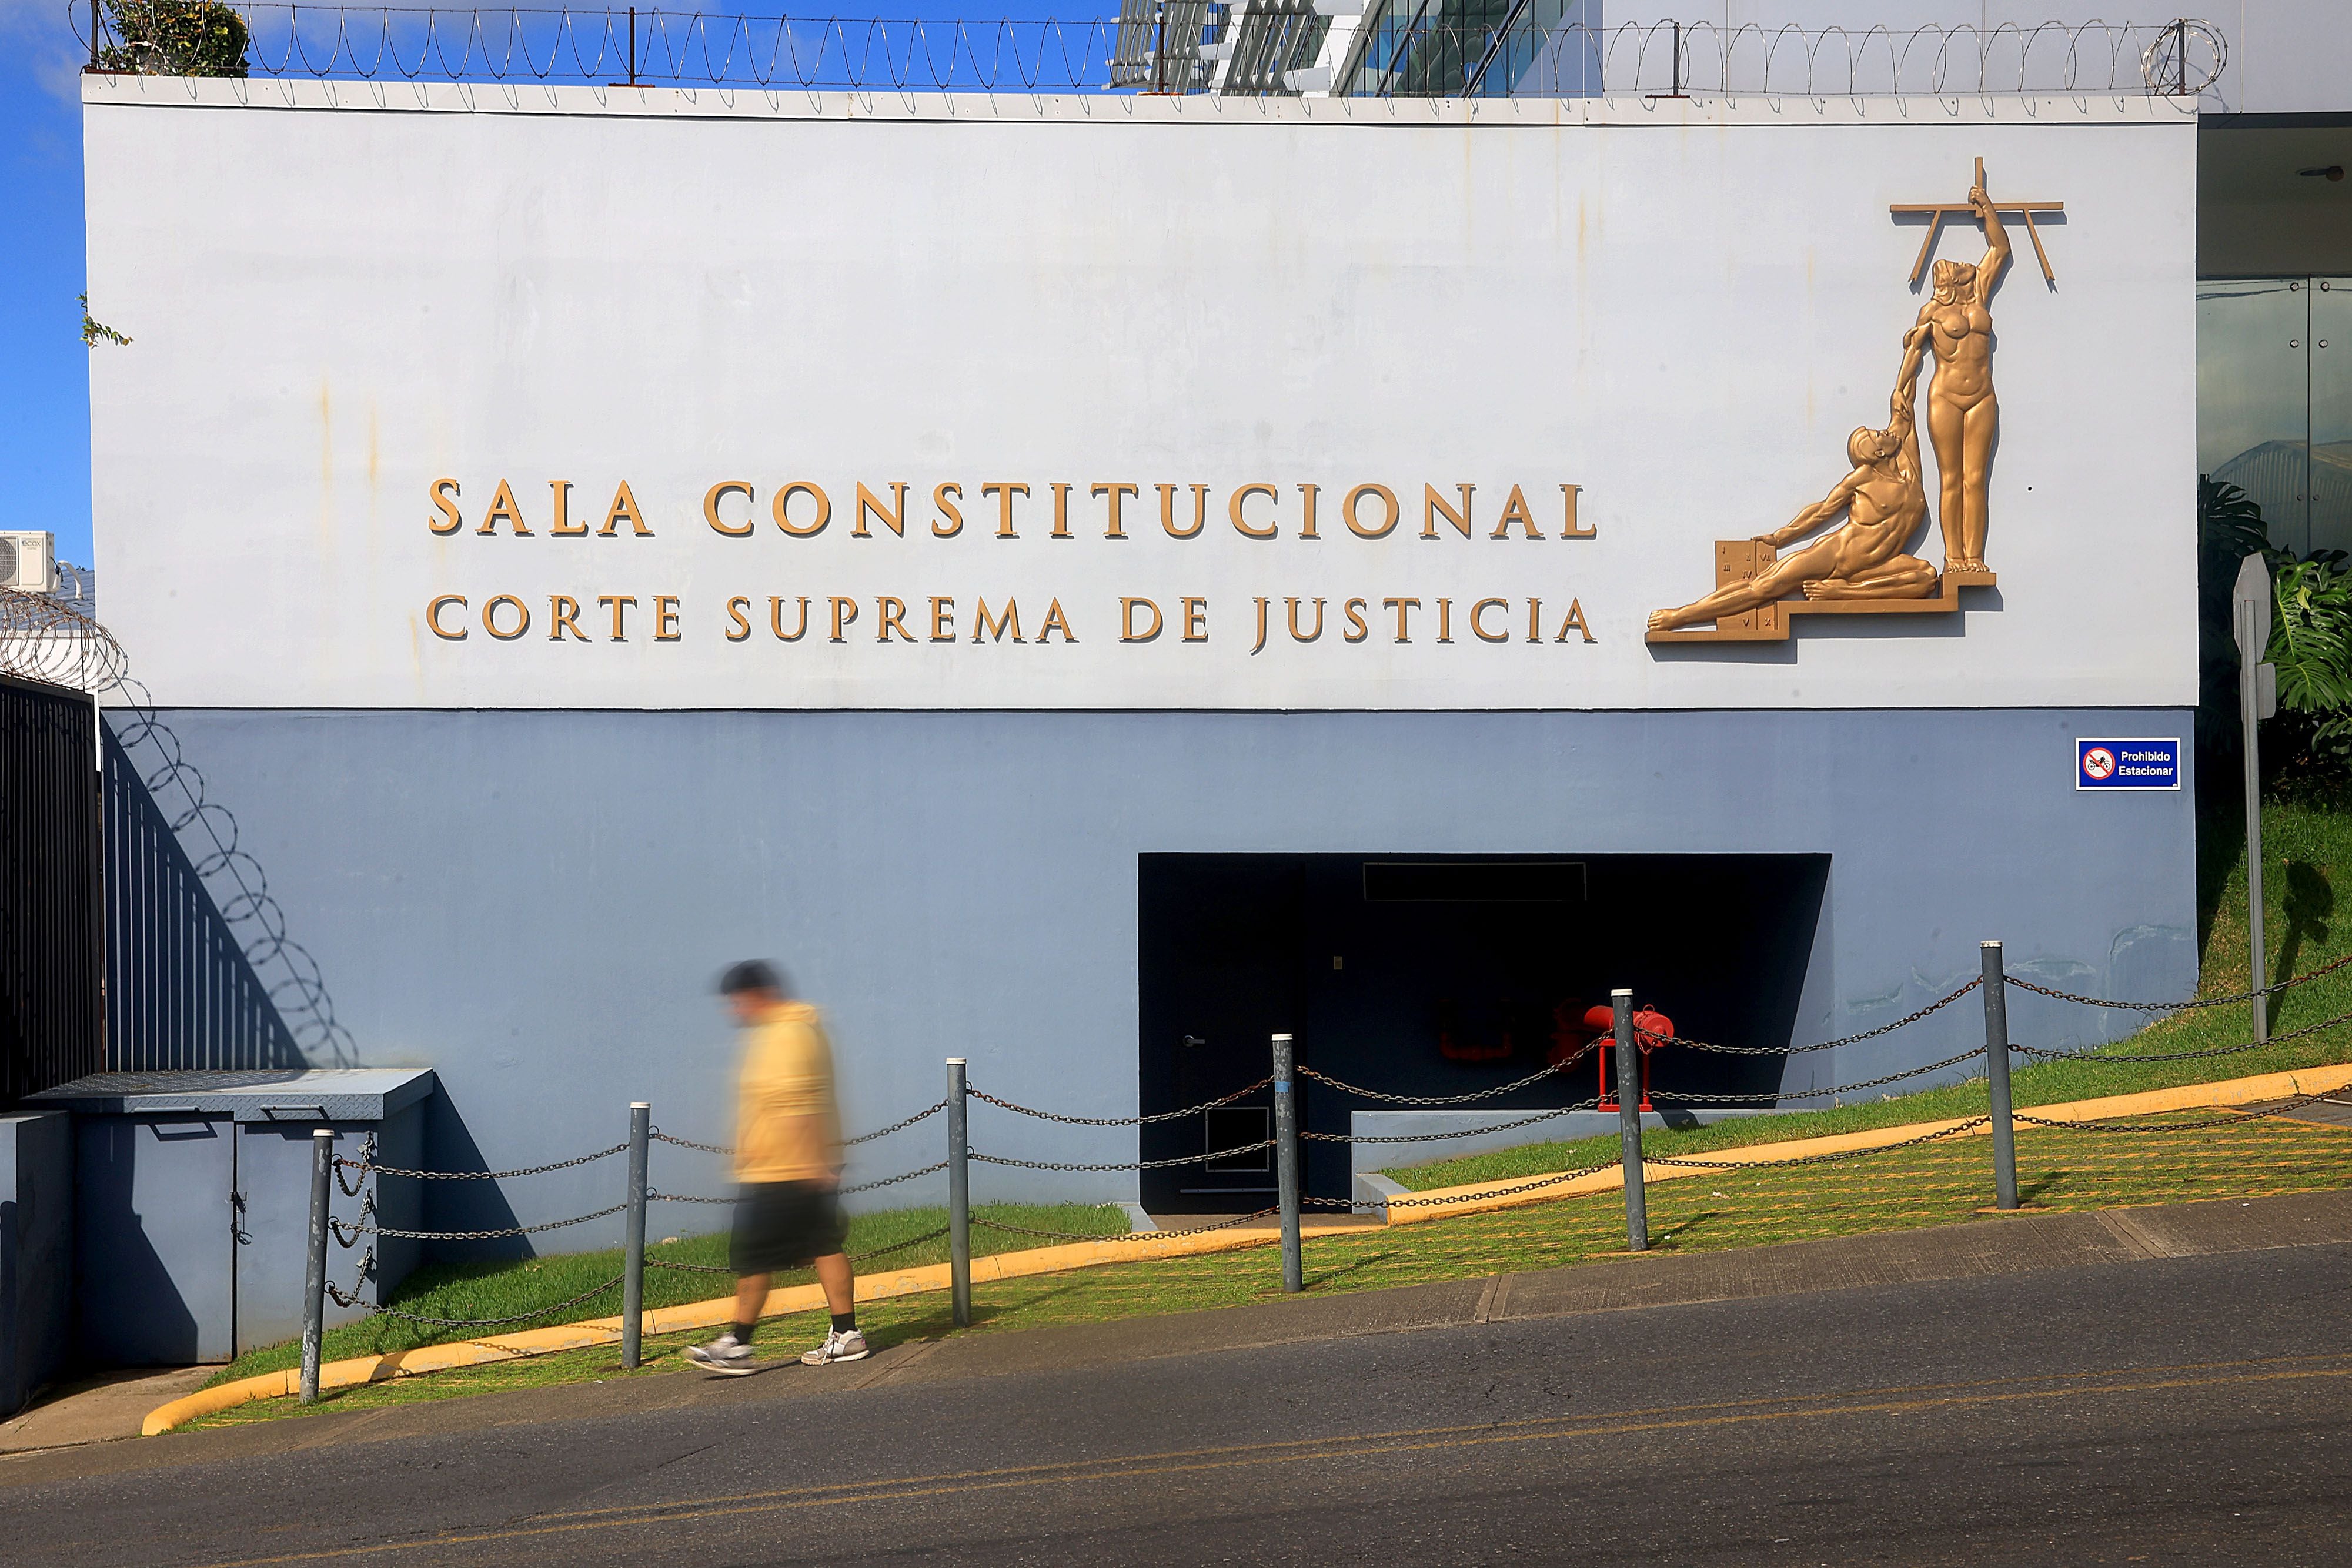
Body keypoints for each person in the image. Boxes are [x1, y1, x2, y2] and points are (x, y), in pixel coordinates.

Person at [1647, 328, 1935, 634]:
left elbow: (1903, 395)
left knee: (1926, 578)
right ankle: (1680, 617)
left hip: (1876, 569)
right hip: (1837, 556)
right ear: (1878, 453)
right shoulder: (1862, 478)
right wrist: (1781, 537)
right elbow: (1822, 510)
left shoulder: (1909, 467)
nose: (1885, 431)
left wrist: (1913, 349)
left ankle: (1841, 592)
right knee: (1764, 586)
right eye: (1877, 435)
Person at [685, 961, 868, 1373]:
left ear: (758, 994)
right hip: (792, 1165)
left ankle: (738, 1344)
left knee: (755, 1255)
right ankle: (846, 1333)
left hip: (784, 1168)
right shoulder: (791, 1029)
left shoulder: (785, 1034)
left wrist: (810, 1165)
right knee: (823, 1243)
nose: (734, 1010)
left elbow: (798, 1101)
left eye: (737, 1001)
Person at [1915, 179, 2009, 574]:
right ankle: (1954, 556)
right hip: (1946, 397)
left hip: (1982, 395)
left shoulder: (1980, 294)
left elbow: (2000, 249)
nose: (1965, 269)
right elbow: (1912, 354)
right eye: (1958, 270)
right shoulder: (1932, 312)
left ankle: (1975, 557)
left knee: (1976, 480)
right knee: (1951, 479)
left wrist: (1986, 206)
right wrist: (1901, 397)